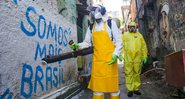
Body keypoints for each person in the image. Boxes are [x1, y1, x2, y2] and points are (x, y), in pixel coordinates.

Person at [69, 5, 123, 99]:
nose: (93, 13)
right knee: (98, 90)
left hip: (110, 61)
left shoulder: (110, 23)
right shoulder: (91, 27)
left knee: (113, 89)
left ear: (101, 11)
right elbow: (87, 42)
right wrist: (78, 46)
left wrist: (115, 54)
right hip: (98, 63)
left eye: (95, 10)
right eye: (92, 11)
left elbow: (119, 42)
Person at [121, 21, 148, 97]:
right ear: (128, 27)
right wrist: (119, 54)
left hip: (137, 58)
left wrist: (144, 56)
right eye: (131, 27)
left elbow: (143, 47)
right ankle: (130, 90)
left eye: (134, 27)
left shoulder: (139, 36)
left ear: (136, 27)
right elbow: (120, 45)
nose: (132, 28)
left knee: (137, 74)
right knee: (129, 74)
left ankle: (136, 89)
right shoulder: (125, 35)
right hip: (128, 58)